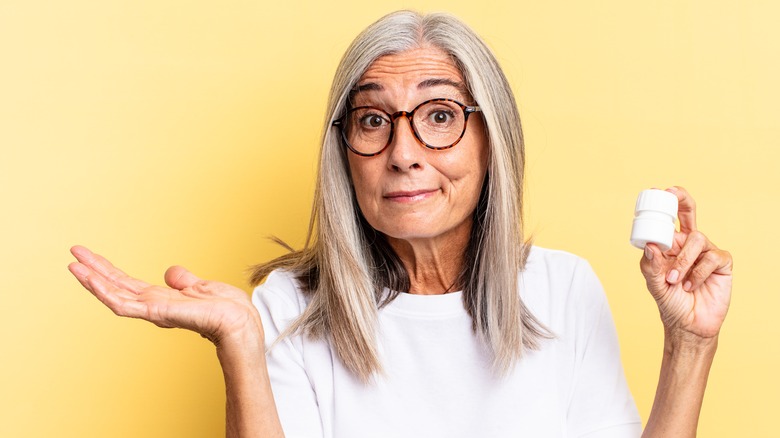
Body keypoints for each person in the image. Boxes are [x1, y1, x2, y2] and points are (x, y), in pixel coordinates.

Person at [67, 10, 732, 438]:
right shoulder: (287, 310)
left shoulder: (565, 289)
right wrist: (240, 344)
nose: (404, 152)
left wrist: (690, 345)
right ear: (345, 154)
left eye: (439, 115)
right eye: (373, 120)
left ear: (491, 142)